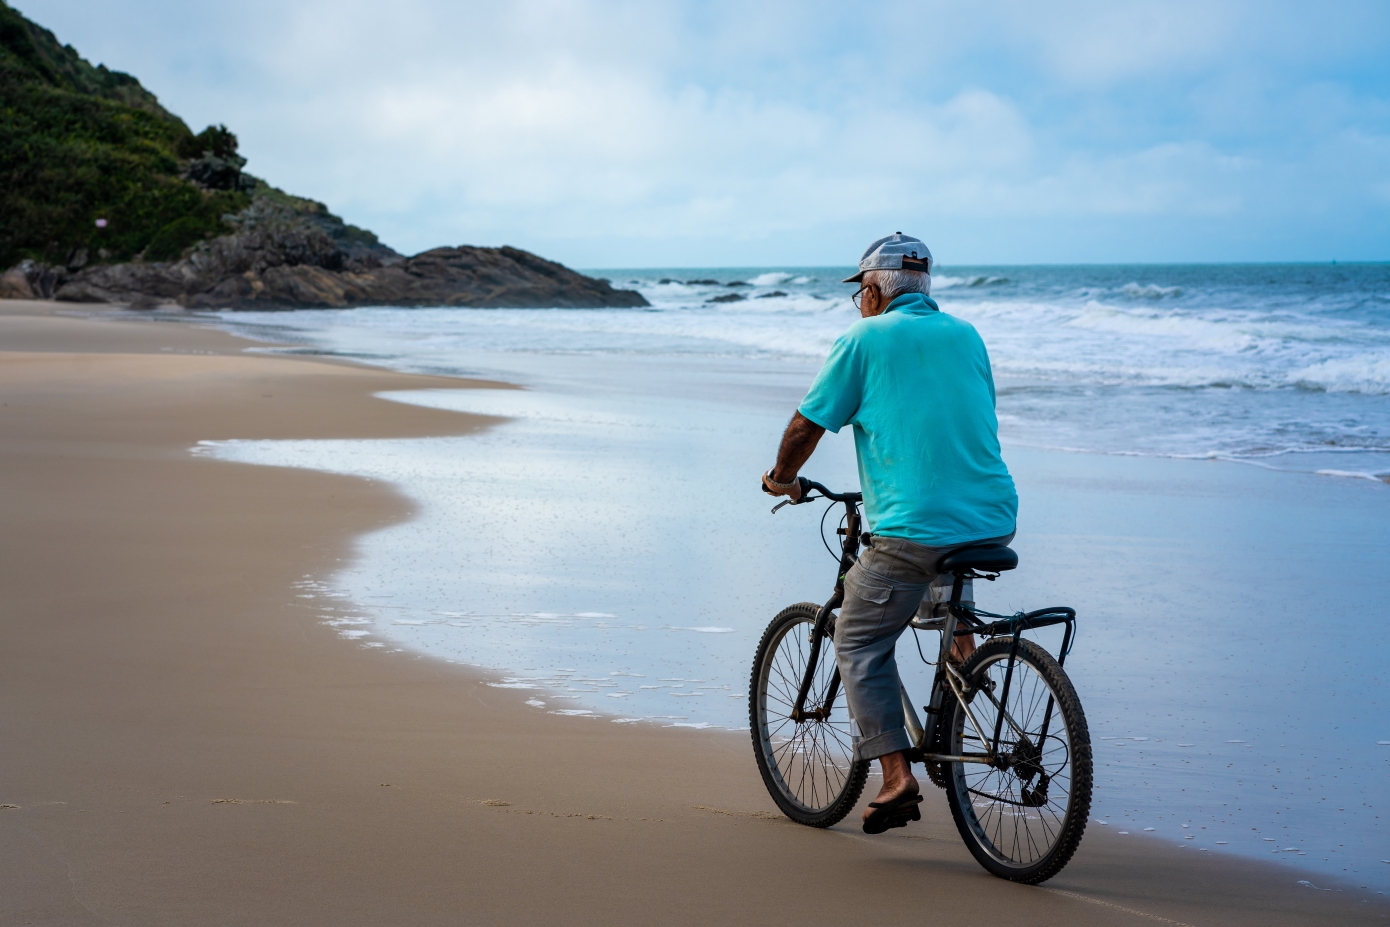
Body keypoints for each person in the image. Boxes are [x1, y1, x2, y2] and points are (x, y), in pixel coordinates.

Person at [761, 233, 1018, 835]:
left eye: (861, 293)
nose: (860, 303)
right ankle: (962, 651)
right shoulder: (967, 335)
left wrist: (782, 478)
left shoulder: (863, 339)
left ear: (874, 290)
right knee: (936, 565)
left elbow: (808, 423)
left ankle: (897, 777)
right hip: (991, 516)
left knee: (857, 638)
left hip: (913, 529)